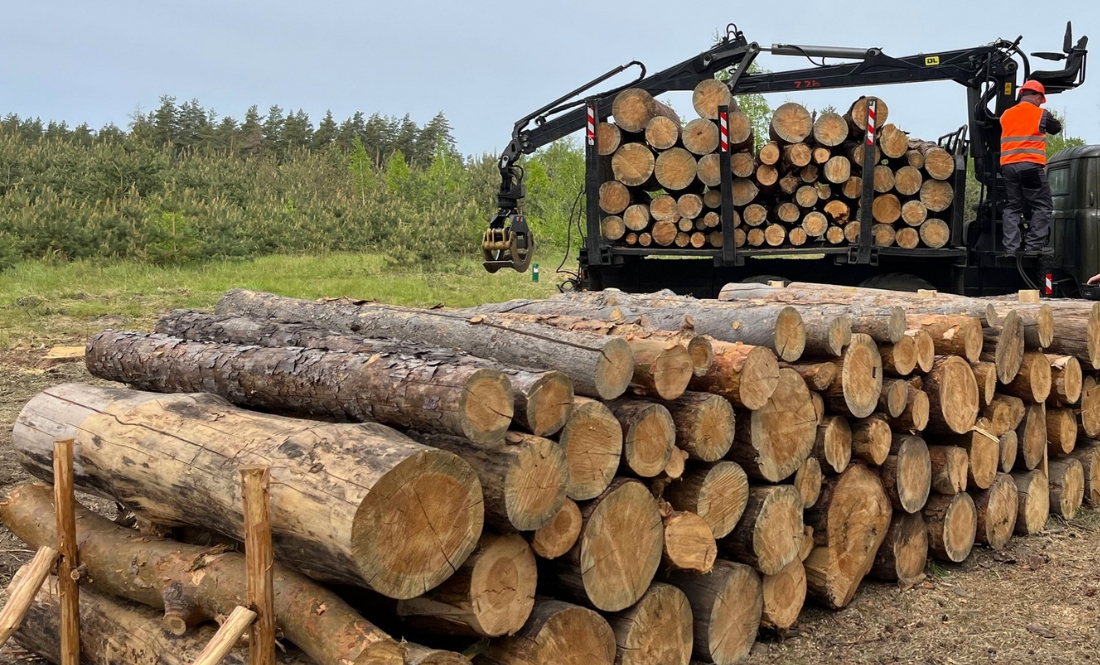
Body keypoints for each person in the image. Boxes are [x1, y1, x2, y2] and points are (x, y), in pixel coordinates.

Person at [999, 80, 1062, 255]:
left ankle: (1010, 248)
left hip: (1008, 167)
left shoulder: (1006, 115)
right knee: (1043, 206)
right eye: (1040, 99)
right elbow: (1056, 128)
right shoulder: (1040, 114)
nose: (1040, 102)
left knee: (1013, 206)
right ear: (1037, 96)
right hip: (1030, 165)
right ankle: (1033, 247)